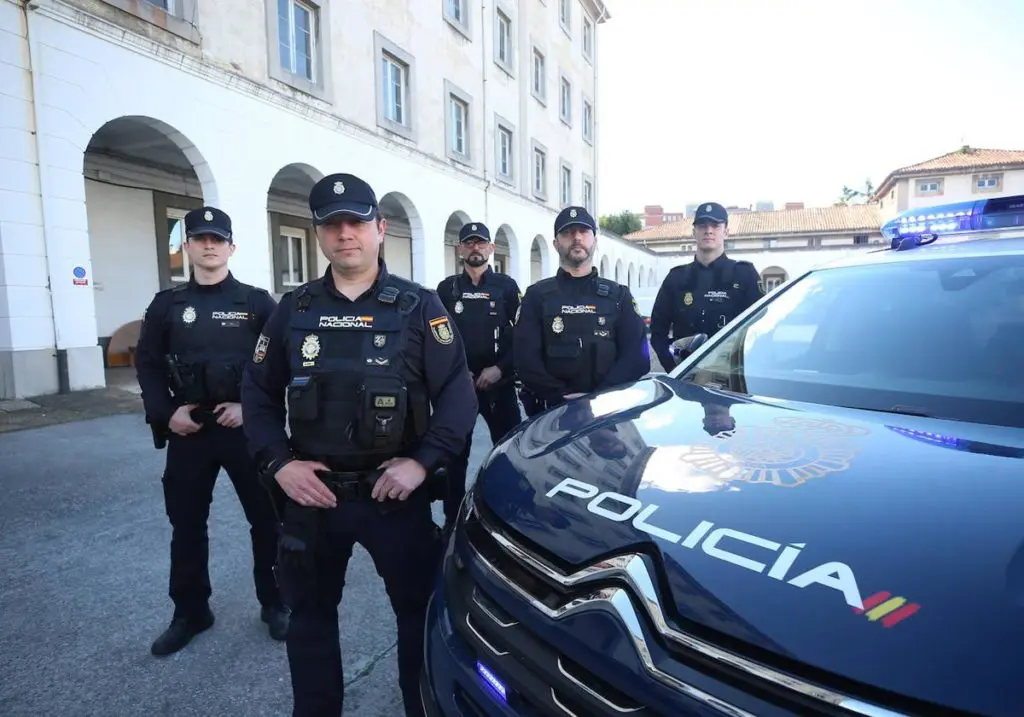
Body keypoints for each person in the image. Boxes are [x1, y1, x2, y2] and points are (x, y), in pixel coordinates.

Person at [240, 172, 477, 717]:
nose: (345, 233)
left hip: (393, 498)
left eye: (357, 222)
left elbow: (459, 396)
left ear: (379, 228)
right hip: (312, 497)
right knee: (311, 619)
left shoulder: (420, 307)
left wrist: (422, 464)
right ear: (319, 233)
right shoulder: (293, 308)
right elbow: (255, 394)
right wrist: (279, 465)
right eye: (332, 224)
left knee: (417, 615)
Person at [134, 205, 289, 657]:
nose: (208, 245)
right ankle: (191, 612)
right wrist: (166, 415)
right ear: (187, 247)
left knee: (267, 521)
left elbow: (284, 363)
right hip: (190, 430)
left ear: (231, 247)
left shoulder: (258, 303)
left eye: (216, 239)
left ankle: (275, 601)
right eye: (199, 238)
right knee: (186, 525)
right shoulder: (167, 306)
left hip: (244, 430)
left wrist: (251, 409)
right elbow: (146, 365)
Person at [513, 205, 650, 417]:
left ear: (594, 241)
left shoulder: (619, 296)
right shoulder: (536, 296)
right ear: (556, 244)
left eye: (583, 232)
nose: (576, 238)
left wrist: (597, 398)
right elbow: (525, 360)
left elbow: (638, 358)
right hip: (552, 413)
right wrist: (560, 397)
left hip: (608, 414)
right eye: (567, 233)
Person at [435, 221, 523, 526]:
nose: (475, 248)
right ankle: (452, 521)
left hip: (499, 384)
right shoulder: (447, 289)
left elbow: (520, 336)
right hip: (459, 388)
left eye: (481, 243)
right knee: (454, 456)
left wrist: (500, 369)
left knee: (509, 453)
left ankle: (506, 515)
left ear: (491, 248)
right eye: (469, 243)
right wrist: (457, 377)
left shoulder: (507, 287)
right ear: (460, 249)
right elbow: (439, 340)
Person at [649, 202, 763, 371]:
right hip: (686, 379)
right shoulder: (676, 278)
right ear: (694, 232)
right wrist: (674, 368)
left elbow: (760, 328)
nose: (708, 230)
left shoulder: (745, 275)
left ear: (726, 231)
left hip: (732, 377)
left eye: (715, 225)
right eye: (702, 225)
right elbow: (657, 332)